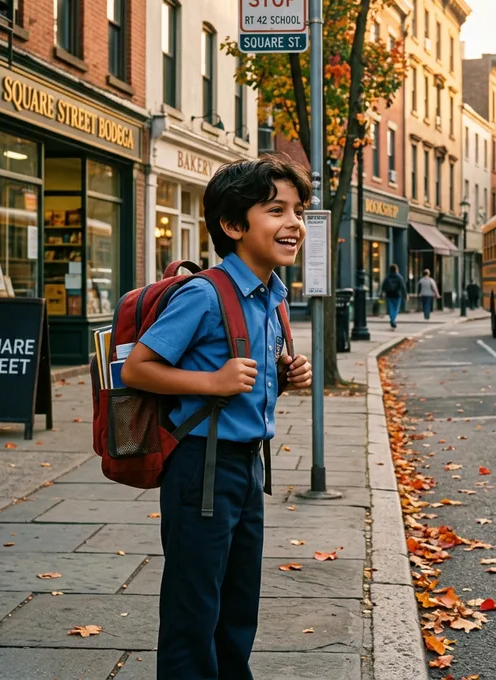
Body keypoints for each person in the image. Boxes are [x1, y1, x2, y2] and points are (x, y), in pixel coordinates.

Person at [121, 156, 313, 680]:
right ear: (233, 225)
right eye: (276, 210)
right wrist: (212, 382)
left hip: (248, 468)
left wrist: (286, 373)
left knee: (238, 605)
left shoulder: (271, 294)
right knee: (194, 608)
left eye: (297, 210)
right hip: (200, 470)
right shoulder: (204, 294)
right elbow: (139, 368)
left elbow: (244, 365)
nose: (293, 222)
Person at [381, 263, 407, 329]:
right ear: (396, 269)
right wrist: (405, 295)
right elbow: (402, 287)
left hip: (389, 294)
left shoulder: (387, 277)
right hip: (397, 294)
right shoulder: (399, 277)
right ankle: (393, 320)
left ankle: (392, 319)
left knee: (391, 308)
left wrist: (382, 293)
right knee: (396, 308)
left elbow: (383, 285)